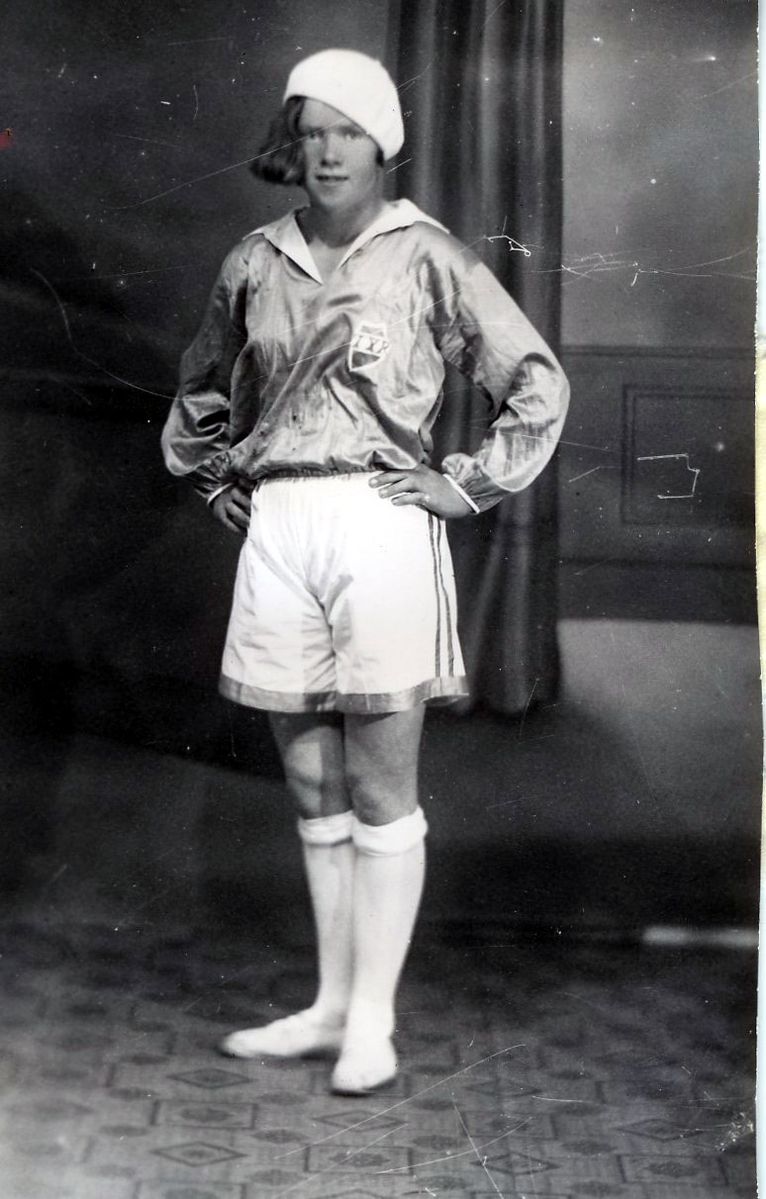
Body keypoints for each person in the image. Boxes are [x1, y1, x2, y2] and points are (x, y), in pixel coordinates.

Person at [161, 47, 569, 1095]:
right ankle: (330, 1005)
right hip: (281, 524)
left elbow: (534, 381)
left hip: (381, 522)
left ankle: (373, 1020)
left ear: (382, 142)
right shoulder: (256, 259)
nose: (328, 150)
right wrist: (213, 477)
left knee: (383, 787)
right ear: (292, 145)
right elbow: (202, 391)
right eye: (311, 130)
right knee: (310, 780)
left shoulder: (427, 254)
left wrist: (466, 483)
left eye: (348, 130)